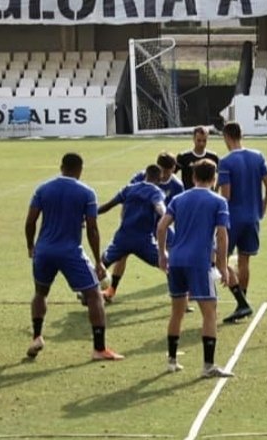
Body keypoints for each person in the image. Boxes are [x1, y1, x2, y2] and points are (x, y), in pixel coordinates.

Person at [25, 153, 123, 361]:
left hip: (44, 250)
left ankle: (37, 336)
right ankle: (99, 348)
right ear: (80, 169)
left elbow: (30, 221)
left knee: (40, 293)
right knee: (95, 295)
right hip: (70, 252)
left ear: (61, 167)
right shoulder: (86, 192)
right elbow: (92, 229)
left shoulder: (43, 188)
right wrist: (98, 261)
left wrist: (31, 247)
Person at [157, 159, 234, 378]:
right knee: (210, 312)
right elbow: (221, 235)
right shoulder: (218, 202)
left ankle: (172, 361)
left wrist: (162, 254)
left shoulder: (179, 199)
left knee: (177, 312)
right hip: (199, 263)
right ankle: (208, 366)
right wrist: (223, 266)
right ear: (214, 178)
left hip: (177, 261)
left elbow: (162, 226)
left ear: (193, 177)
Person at [104, 153, 185, 301]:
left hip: (161, 223)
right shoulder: (142, 177)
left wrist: (170, 222)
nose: (165, 174)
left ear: (173, 169)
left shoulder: (177, 186)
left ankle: (180, 295)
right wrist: (125, 220)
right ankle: (111, 290)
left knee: (174, 254)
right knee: (122, 256)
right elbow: (127, 199)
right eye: (163, 170)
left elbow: (175, 210)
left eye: (168, 171)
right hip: (138, 222)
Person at [217, 121, 267, 323]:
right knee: (244, 260)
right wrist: (263, 206)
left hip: (232, 219)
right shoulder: (258, 157)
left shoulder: (226, 162)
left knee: (218, 259)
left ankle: (241, 302)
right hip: (252, 218)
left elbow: (226, 196)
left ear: (226, 137)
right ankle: (244, 302)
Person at [95, 164, 167, 304]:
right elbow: (159, 206)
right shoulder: (156, 191)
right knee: (168, 265)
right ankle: (181, 298)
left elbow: (108, 206)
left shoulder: (129, 188)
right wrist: (167, 216)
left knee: (102, 263)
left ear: (146, 175)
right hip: (144, 241)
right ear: (160, 178)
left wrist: (89, 214)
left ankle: (85, 291)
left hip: (123, 238)